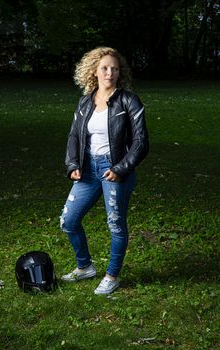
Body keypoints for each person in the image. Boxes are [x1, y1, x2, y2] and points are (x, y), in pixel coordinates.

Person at [60, 47, 149, 295]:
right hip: (88, 169)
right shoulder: (85, 102)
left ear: (120, 73)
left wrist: (121, 169)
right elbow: (74, 138)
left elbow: (141, 143)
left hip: (115, 169)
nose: (110, 72)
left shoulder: (129, 101)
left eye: (115, 68)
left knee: (115, 224)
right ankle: (85, 267)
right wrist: (72, 165)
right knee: (68, 221)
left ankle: (112, 276)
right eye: (105, 68)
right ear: (94, 71)